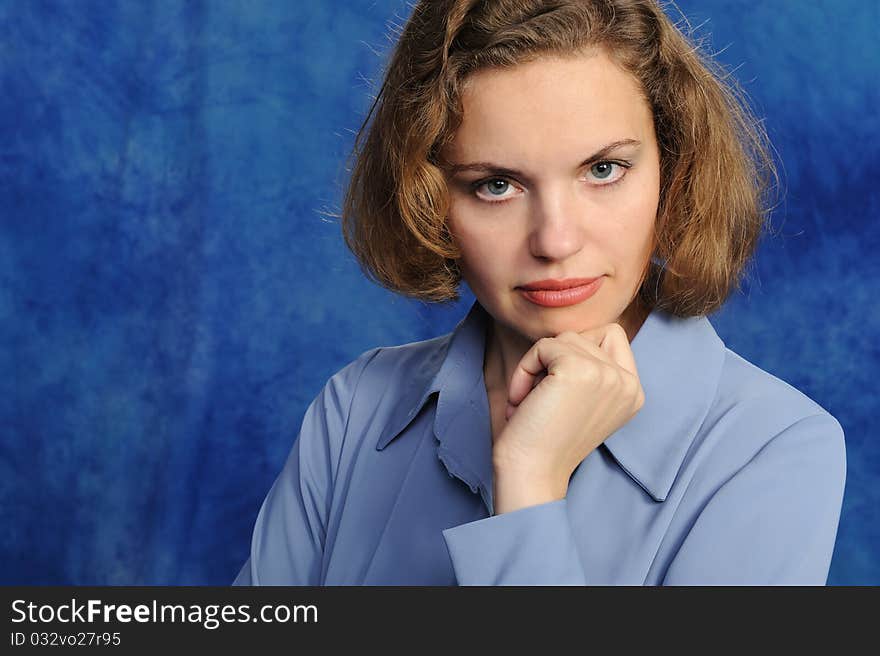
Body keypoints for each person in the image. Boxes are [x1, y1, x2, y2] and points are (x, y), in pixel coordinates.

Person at [232, 0, 846, 585]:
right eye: (496, 185)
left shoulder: (773, 446)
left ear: (674, 172)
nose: (555, 241)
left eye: (603, 170)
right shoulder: (356, 410)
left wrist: (528, 485)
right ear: (430, 198)